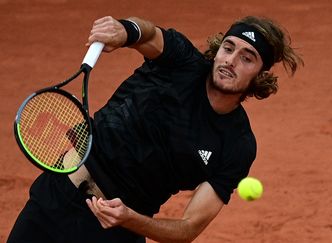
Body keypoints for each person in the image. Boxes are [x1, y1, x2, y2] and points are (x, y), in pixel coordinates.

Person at [8, 15, 303, 242]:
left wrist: (128, 219)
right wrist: (125, 29)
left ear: (260, 75)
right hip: (57, 197)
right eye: (228, 48)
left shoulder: (237, 144)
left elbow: (188, 228)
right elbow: (148, 33)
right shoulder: (181, 62)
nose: (230, 60)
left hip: (116, 232)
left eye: (246, 57)